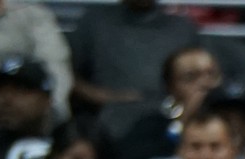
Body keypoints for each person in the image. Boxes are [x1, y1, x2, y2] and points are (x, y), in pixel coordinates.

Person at [109, 40, 222, 159]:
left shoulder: (237, 117)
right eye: (190, 77)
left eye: (211, 75)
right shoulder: (151, 127)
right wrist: (183, 121)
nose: (205, 84)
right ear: (170, 86)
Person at [67, 0, 197, 111]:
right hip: (105, 120)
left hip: (169, 119)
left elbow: (200, 84)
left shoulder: (181, 30)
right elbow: (70, 79)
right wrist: (107, 98)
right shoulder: (95, 24)